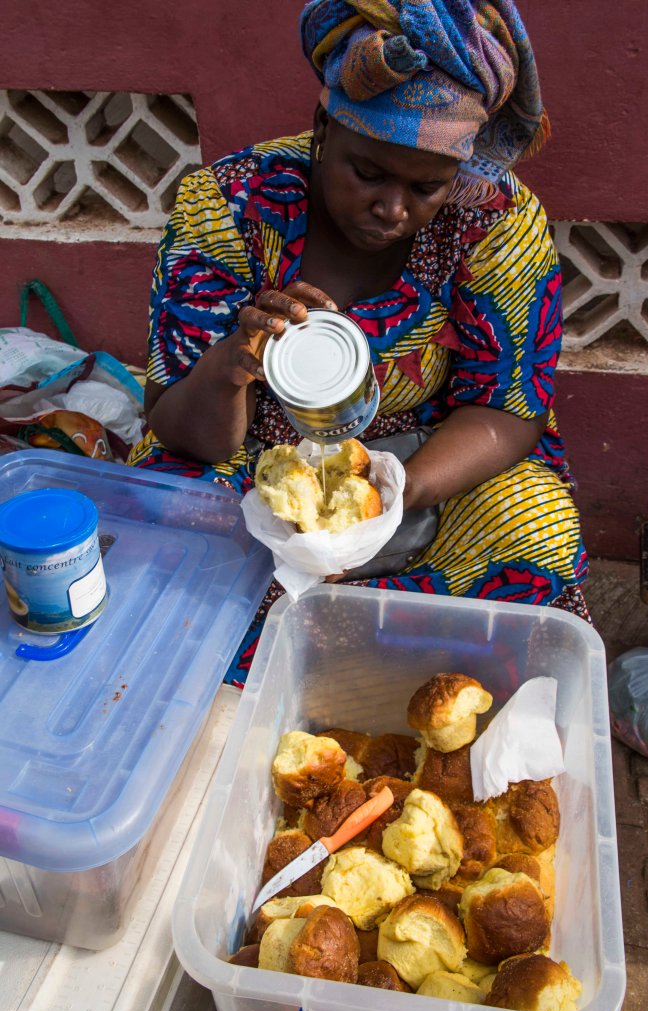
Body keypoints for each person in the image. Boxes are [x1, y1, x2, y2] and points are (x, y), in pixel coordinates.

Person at [128, 0, 588, 687]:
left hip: (424, 462)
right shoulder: (230, 204)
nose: (392, 209)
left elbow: (507, 407)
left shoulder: (494, 220)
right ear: (323, 129)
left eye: (426, 187)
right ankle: (256, 692)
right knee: (169, 520)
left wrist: (394, 496)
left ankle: (433, 683)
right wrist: (231, 367)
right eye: (367, 173)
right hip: (255, 463)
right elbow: (177, 425)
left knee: (534, 523)